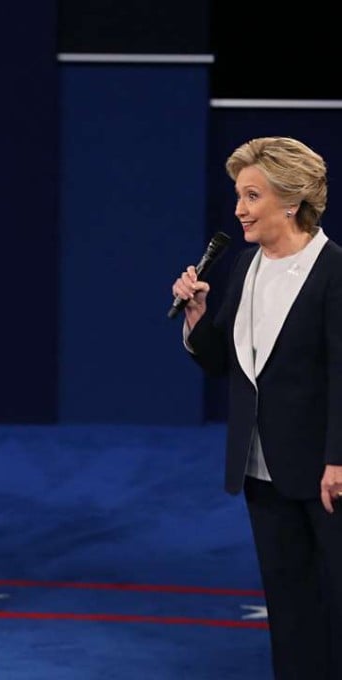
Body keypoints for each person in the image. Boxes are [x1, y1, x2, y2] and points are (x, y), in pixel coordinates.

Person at [172, 136, 342, 679]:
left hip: (327, 475)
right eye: (238, 195)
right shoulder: (246, 266)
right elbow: (225, 363)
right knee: (289, 607)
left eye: (252, 195)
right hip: (262, 469)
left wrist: (338, 460)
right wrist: (197, 316)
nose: (239, 210)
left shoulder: (335, 271)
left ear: (291, 201)